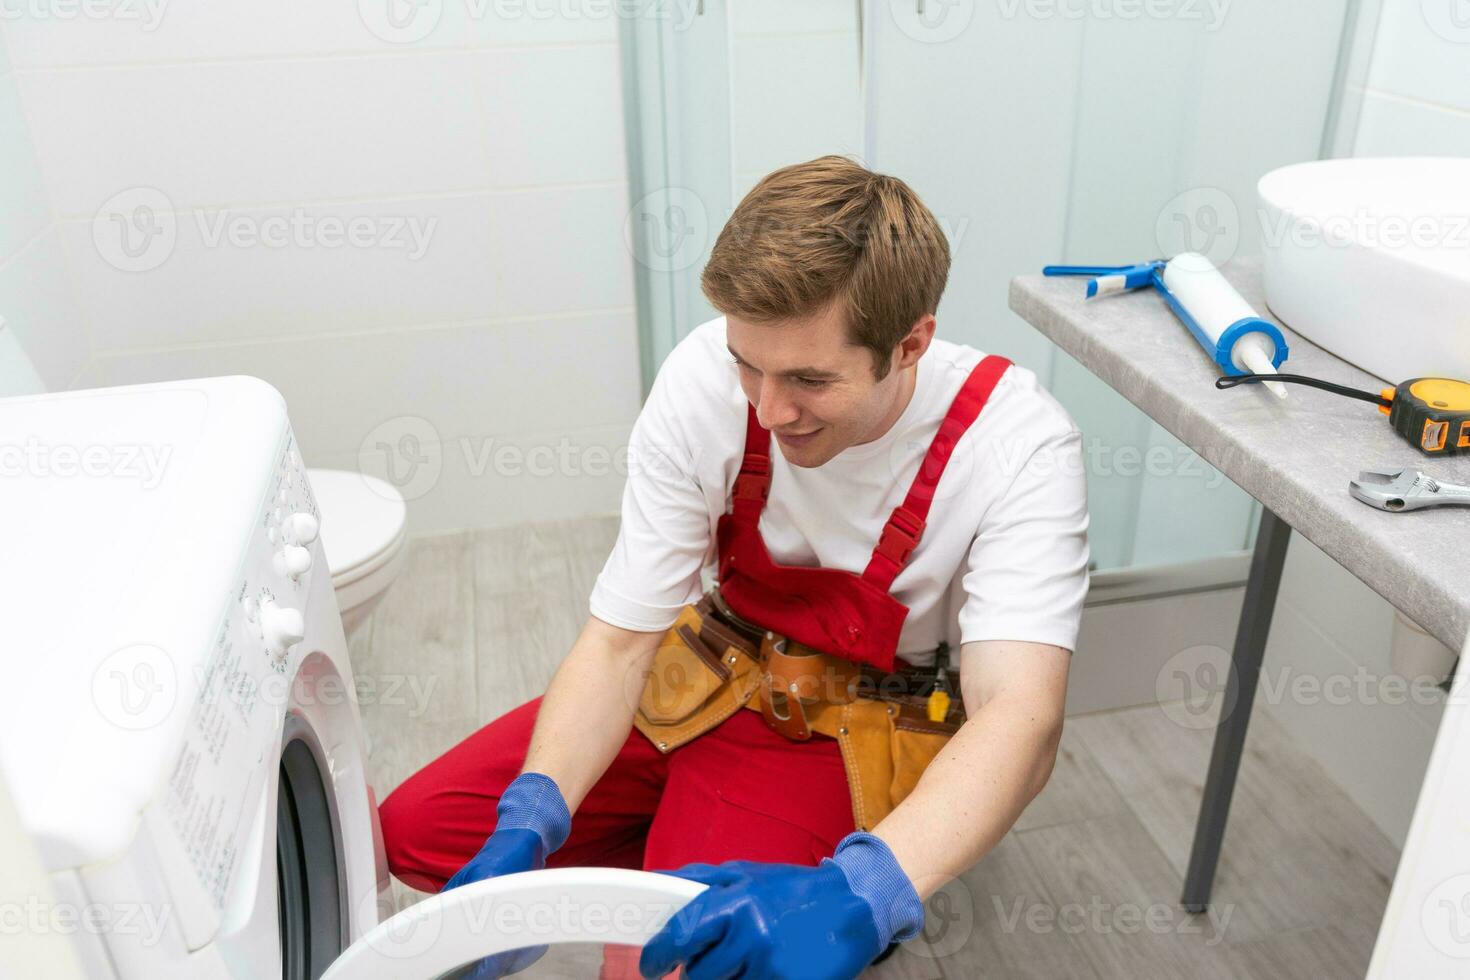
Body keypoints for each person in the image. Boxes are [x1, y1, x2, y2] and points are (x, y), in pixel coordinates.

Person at [379, 155, 1090, 979]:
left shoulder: (1016, 446)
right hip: (701, 668)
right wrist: (531, 821)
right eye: (748, 364)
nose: (767, 408)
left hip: (842, 724)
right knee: (420, 834)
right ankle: (677, 845)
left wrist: (865, 891)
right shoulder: (703, 378)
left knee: (660, 968)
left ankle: (720, 860)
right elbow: (618, 644)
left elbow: (1021, 719)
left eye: (809, 379)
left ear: (911, 344)